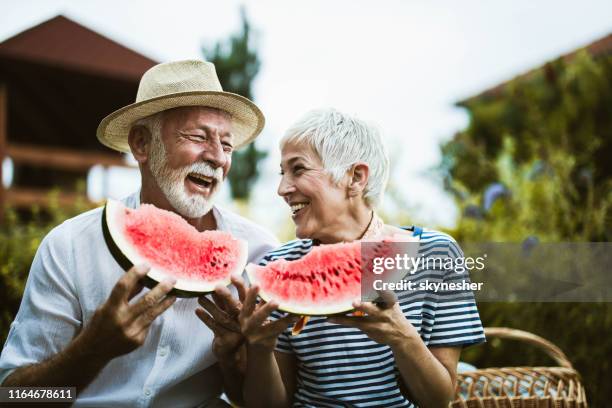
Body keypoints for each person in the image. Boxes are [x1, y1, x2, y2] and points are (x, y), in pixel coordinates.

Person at [0, 60, 278, 407]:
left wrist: (235, 360)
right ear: (142, 144)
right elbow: (14, 398)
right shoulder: (70, 246)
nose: (218, 158)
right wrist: (90, 352)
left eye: (227, 144)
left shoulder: (259, 252)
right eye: (198, 136)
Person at [203, 108, 486, 407]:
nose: (282, 188)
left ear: (356, 177)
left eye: (298, 169)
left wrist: (402, 337)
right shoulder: (276, 265)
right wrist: (259, 348)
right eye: (282, 173)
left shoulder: (437, 254)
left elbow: (439, 400)